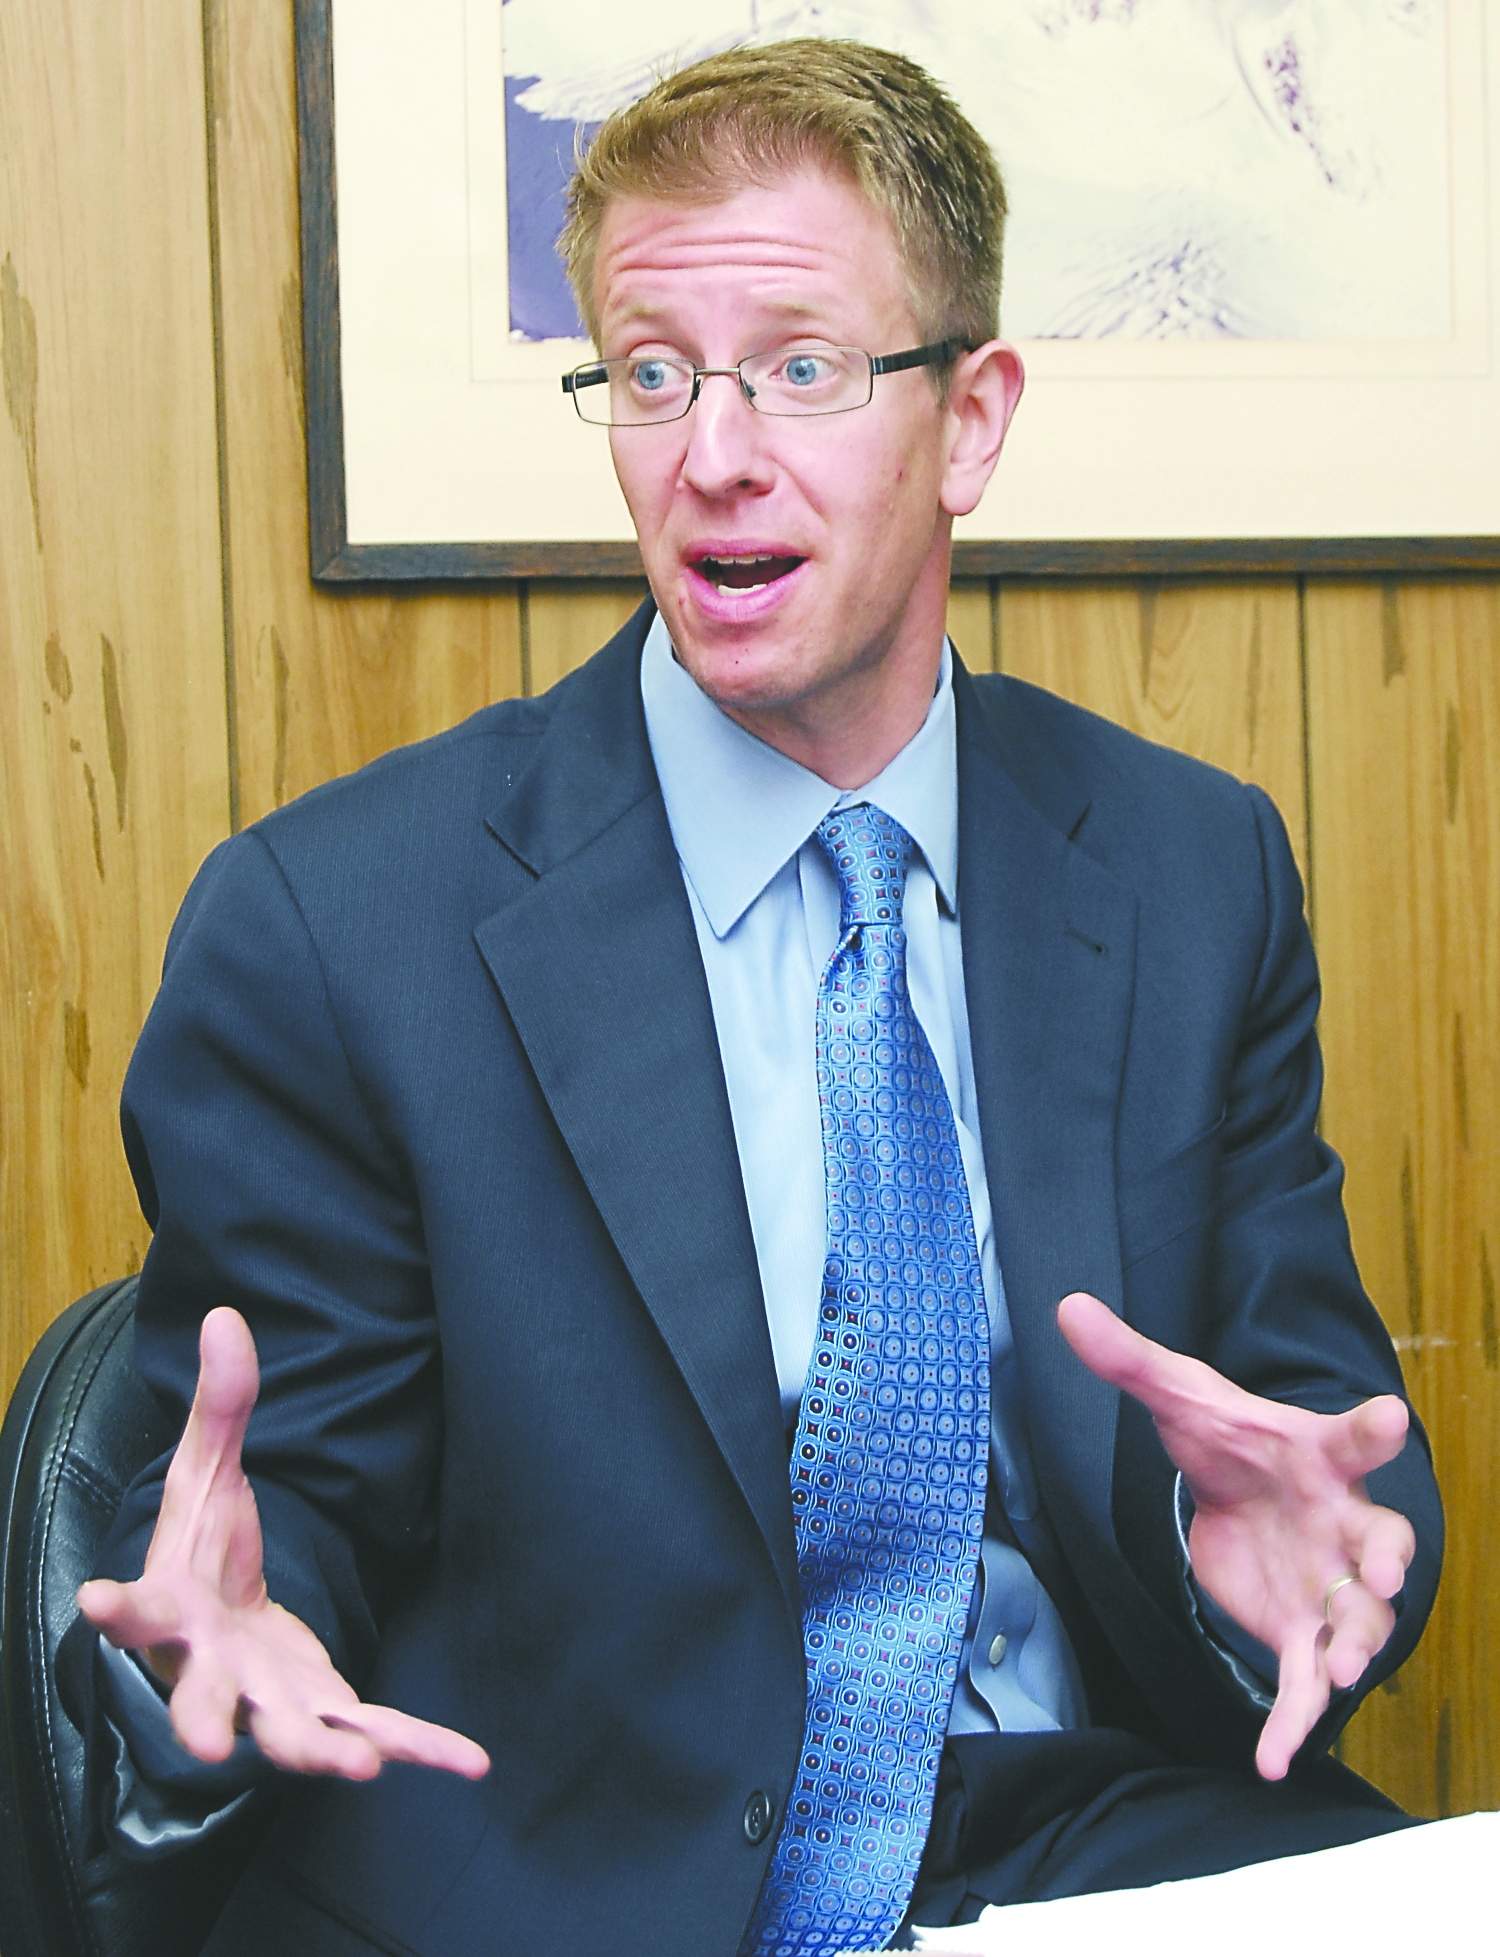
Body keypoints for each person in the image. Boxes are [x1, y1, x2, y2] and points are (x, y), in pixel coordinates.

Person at [70, 39, 1441, 1957]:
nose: (712, 449)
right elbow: (275, 1504)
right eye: (649, 373)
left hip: (1079, 1845)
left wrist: (1278, 1583)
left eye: (801, 366)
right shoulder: (335, 924)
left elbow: (1317, 1435)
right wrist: (232, 1621)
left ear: (971, 422)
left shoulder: (1191, 872)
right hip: (561, 1865)